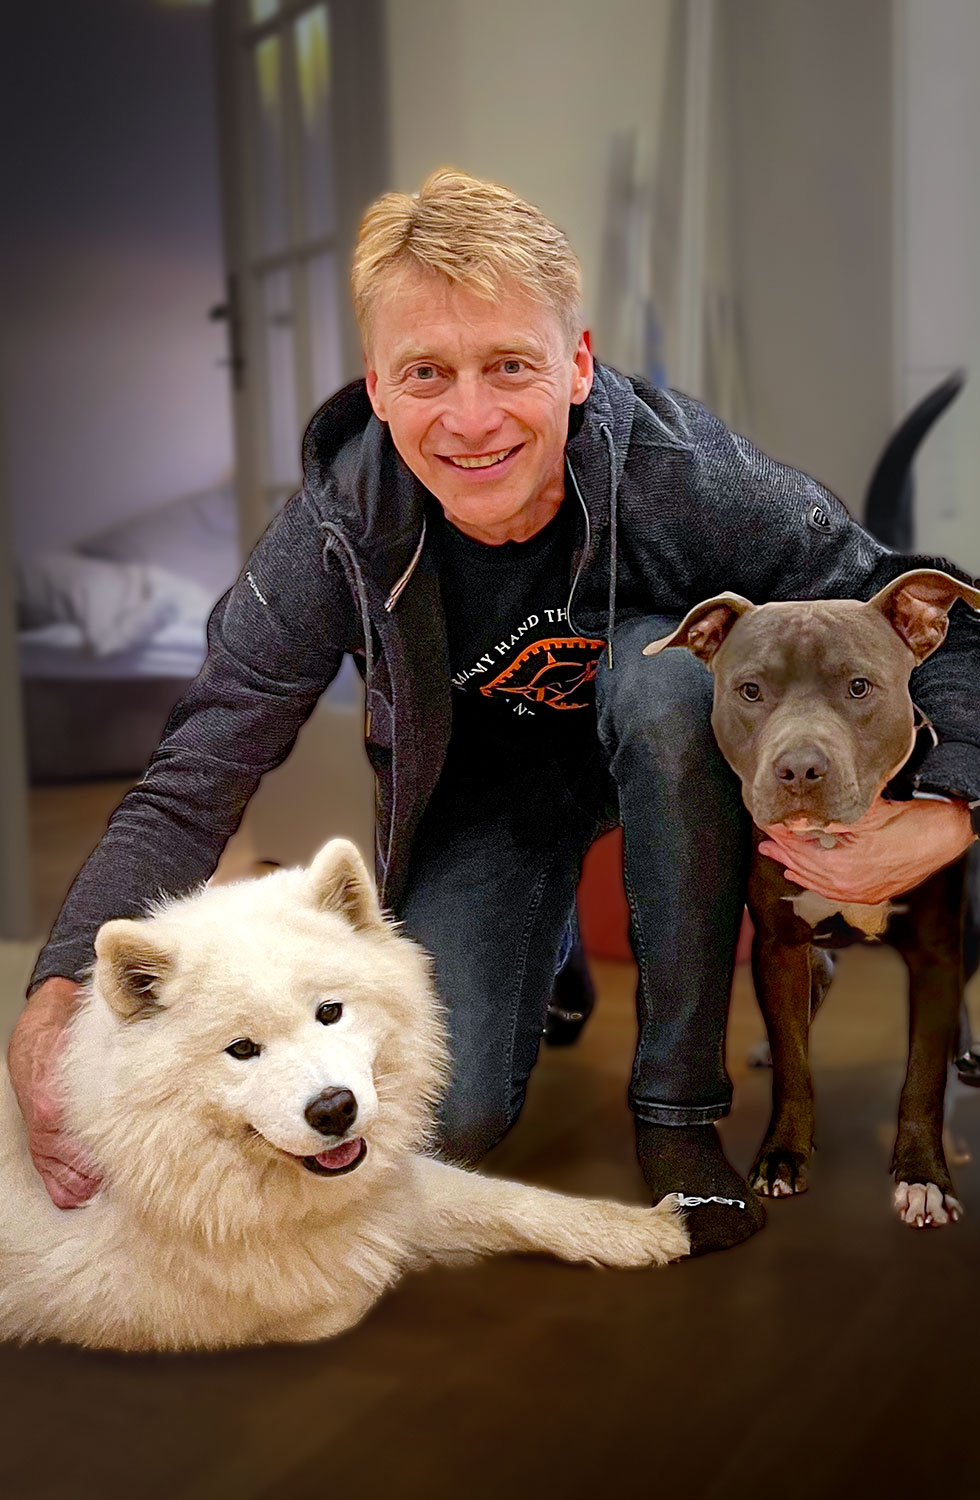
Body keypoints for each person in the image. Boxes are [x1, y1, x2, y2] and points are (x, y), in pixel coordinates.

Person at [10, 170, 979, 1257]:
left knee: (667, 684)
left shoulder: (687, 476)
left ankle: (676, 1113)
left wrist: (950, 811)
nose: (470, 420)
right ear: (377, 387)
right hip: (489, 797)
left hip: (667, 755)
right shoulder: (334, 533)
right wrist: (58, 989)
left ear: (576, 365)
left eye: (510, 365)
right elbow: (196, 769)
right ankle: (543, 936)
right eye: (425, 372)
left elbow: (934, 615)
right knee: (442, 1118)